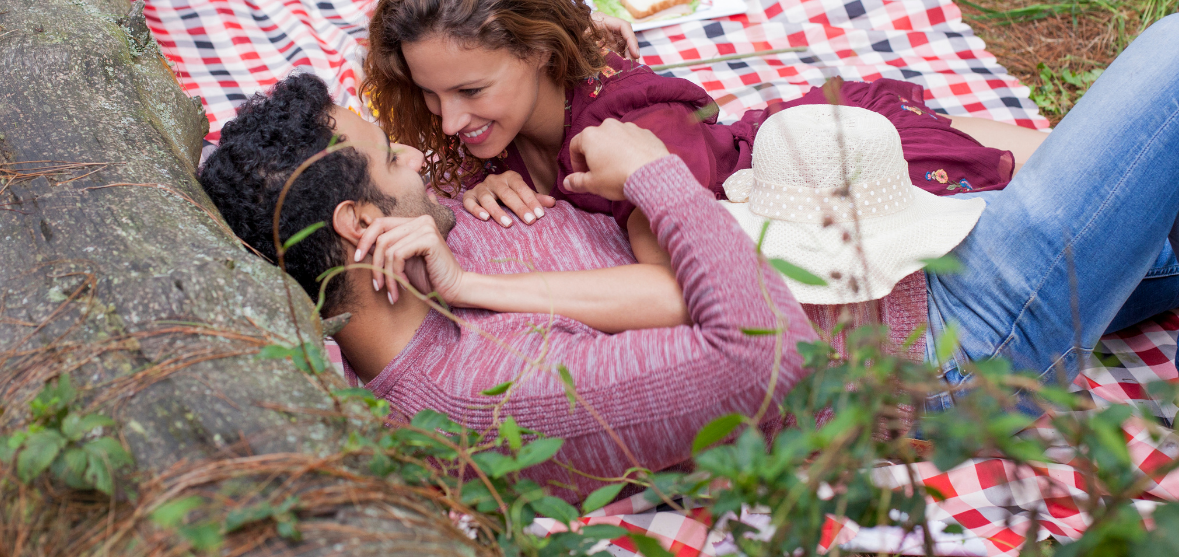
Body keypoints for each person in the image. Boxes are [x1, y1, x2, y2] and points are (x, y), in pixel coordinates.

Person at [198, 73, 815, 501]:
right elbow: (771, 349)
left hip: (809, 222)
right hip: (887, 335)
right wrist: (656, 175)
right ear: (361, 224)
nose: (416, 156)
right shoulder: (486, 399)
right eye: (390, 157)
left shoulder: (422, 244)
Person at [361, 0, 1050, 243]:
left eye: (470, 93)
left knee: (1078, 173)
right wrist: (478, 181)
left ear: (542, 50)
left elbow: (697, 275)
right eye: (430, 95)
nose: (446, 123)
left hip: (837, 166)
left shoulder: (641, 133)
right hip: (784, 151)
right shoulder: (488, 129)